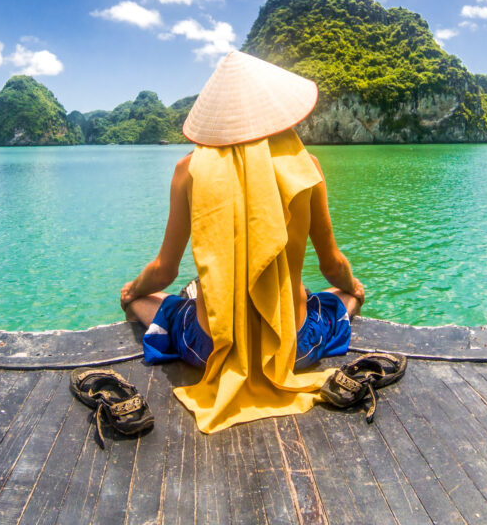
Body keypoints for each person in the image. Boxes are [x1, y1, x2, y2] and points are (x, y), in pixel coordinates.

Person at [120, 50, 366, 433]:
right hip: (292, 345)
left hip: (210, 345)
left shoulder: (189, 169)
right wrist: (353, 289)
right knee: (336, 300)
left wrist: (132, 291)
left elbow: (163, 270)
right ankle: (344, 303)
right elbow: (332, 265)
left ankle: (162, 307)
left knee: (162, 304)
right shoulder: (308, 167)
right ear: (277, 110)